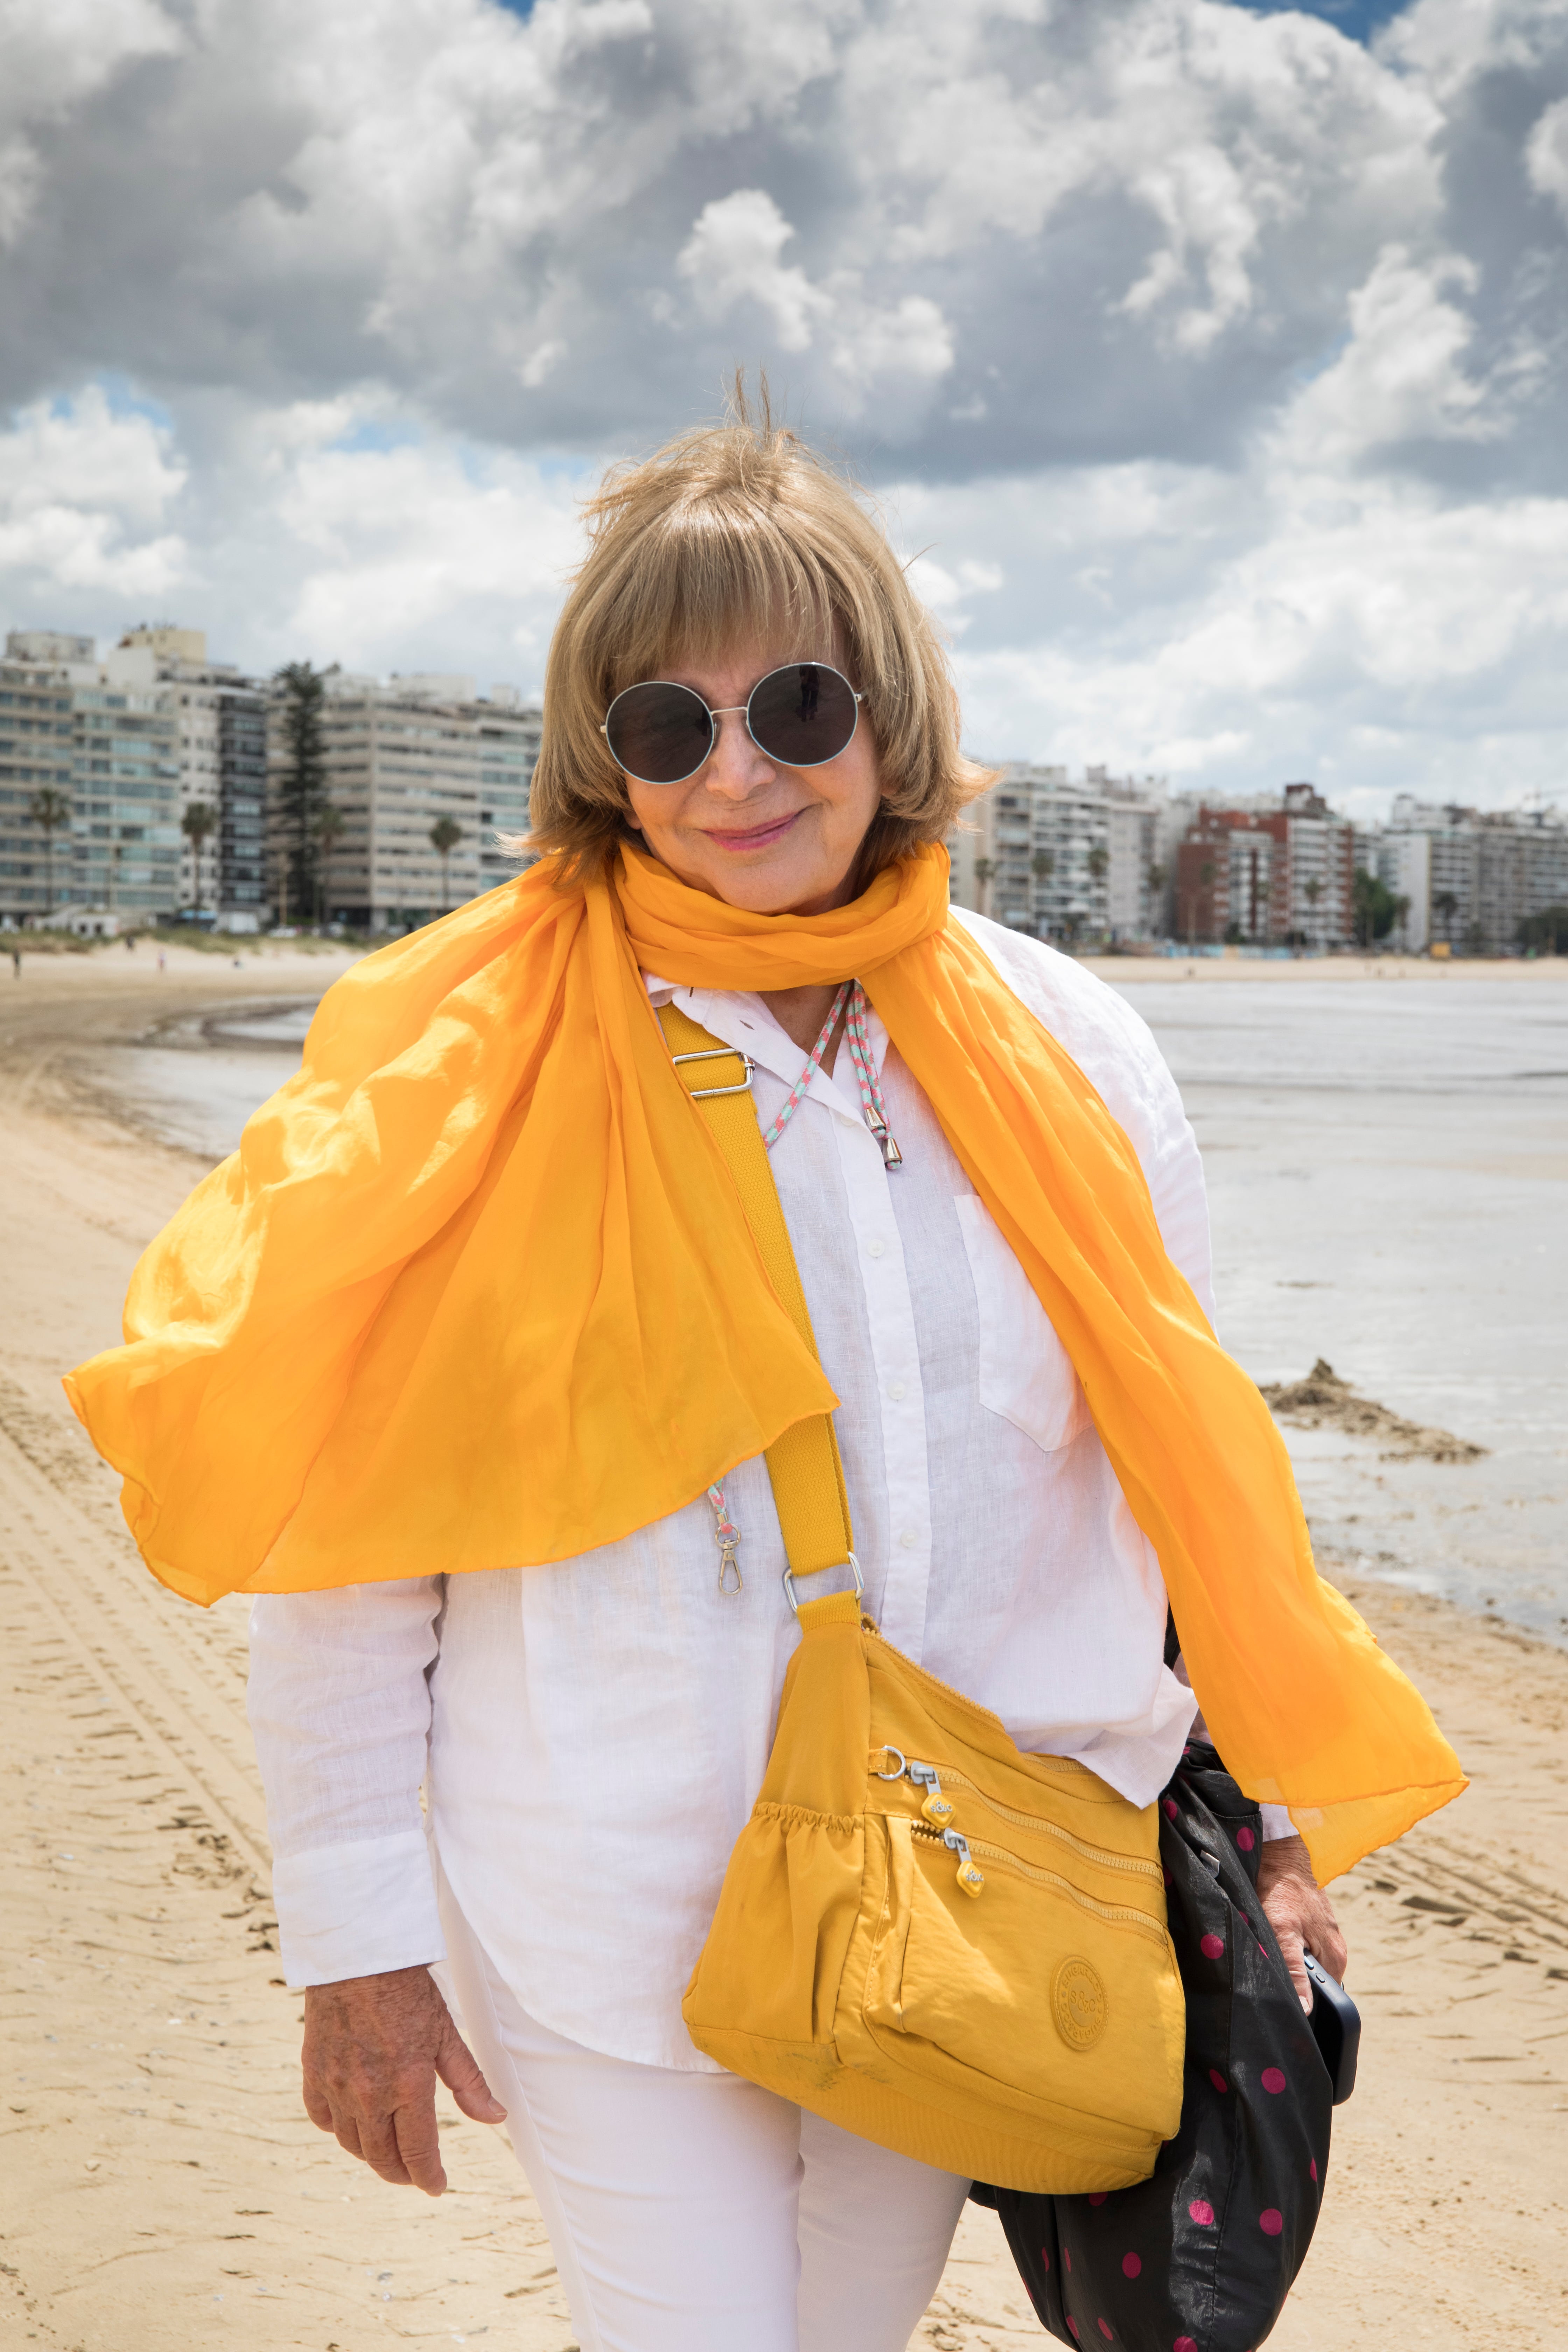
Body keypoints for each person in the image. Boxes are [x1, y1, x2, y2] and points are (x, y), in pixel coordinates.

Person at [69, 396, 1461, 2352]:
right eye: (668, 725)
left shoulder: (1073, 1056)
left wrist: (1281, 1833)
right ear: (605, 762)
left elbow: (1177, 1483)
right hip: (610, 1908)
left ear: (885, 715)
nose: (738, 771)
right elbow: (350, 1550)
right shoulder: (477, 1081)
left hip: (979, 1901)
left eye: (796, 706)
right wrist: (359, 1953)